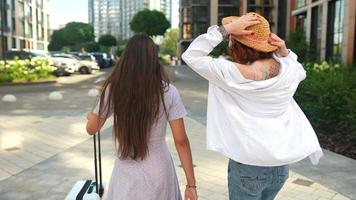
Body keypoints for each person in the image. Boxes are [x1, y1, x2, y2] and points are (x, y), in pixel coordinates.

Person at [182, 12, 323, 200]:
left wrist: (225, 30)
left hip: (248, 165)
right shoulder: (288, 69)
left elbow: (191, 55)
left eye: (232, 39)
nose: (229, 42)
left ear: (238, 43)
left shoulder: (230, 73)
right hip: (280, 166)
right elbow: (300, 69)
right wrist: (284, 50)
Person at [86, 34, 198, 200]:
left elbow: (92, 129)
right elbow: (181, 140)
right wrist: (191, 184)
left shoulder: (114, 88)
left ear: (127, 58)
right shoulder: (168, 91)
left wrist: (91, 116)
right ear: (154, 58)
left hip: (126, 175)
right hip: (160, 173)